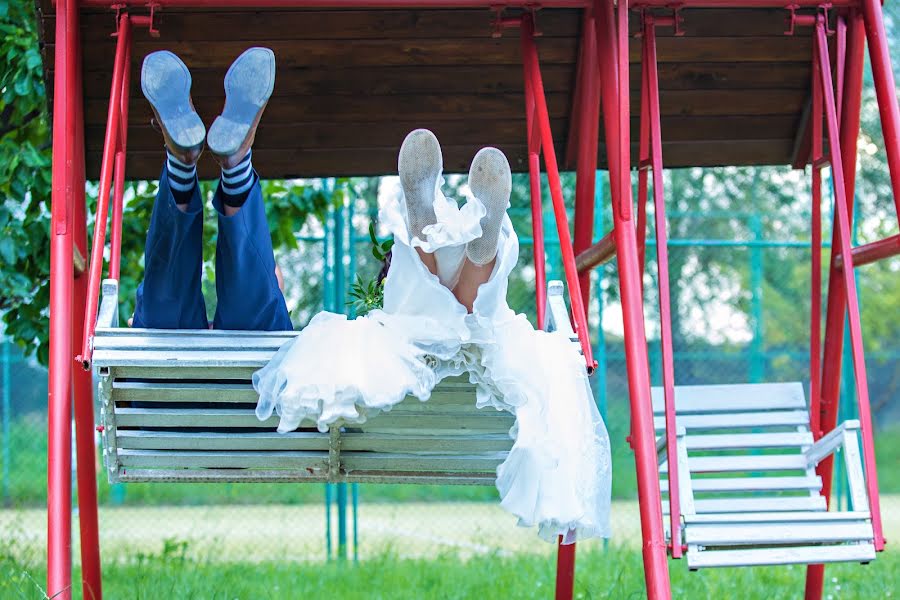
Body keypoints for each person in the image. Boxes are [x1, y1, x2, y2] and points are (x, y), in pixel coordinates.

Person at [254, 129, 612, 543]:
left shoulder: (374, 352)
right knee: (477, 321)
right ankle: (476, 253)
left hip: (414, 349)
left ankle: (424, 233)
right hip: (484, 344)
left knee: (414, 319)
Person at [133, 47, 291, 331]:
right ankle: (234, 164)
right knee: (257, 305)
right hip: (256, 359)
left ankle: (188, 163)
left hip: (164, 355)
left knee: (164, 302)